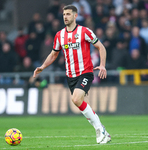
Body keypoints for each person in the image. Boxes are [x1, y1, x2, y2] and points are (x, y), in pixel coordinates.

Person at [33, 5, 111, 144]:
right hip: (70, 76)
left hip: (85, 72)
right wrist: (43, 67)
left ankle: (100, 129)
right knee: (78, 102)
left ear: (75, 16)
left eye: (68, 14)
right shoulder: (59, 35)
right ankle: (102, 129)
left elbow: (101, 47)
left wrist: (102, 65)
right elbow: (54, 54)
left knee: (76, 99)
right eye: (64, 14)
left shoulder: (84, 31)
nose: (65, 17)